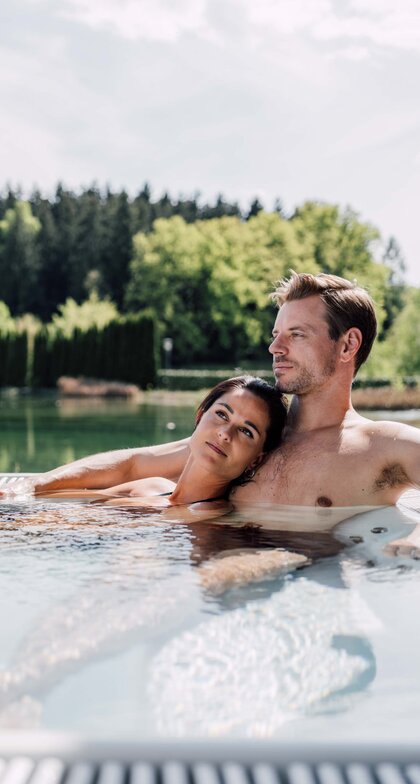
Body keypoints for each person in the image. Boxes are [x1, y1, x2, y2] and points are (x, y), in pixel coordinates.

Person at [5, 272, 420, 553]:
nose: (276, 348)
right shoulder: (252, 437)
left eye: (296, 335)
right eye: (276, 335)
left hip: (305, 587)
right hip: (201, 574)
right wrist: (37, 486)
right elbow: (133, 464)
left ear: (348, 345)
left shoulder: (383, 446)